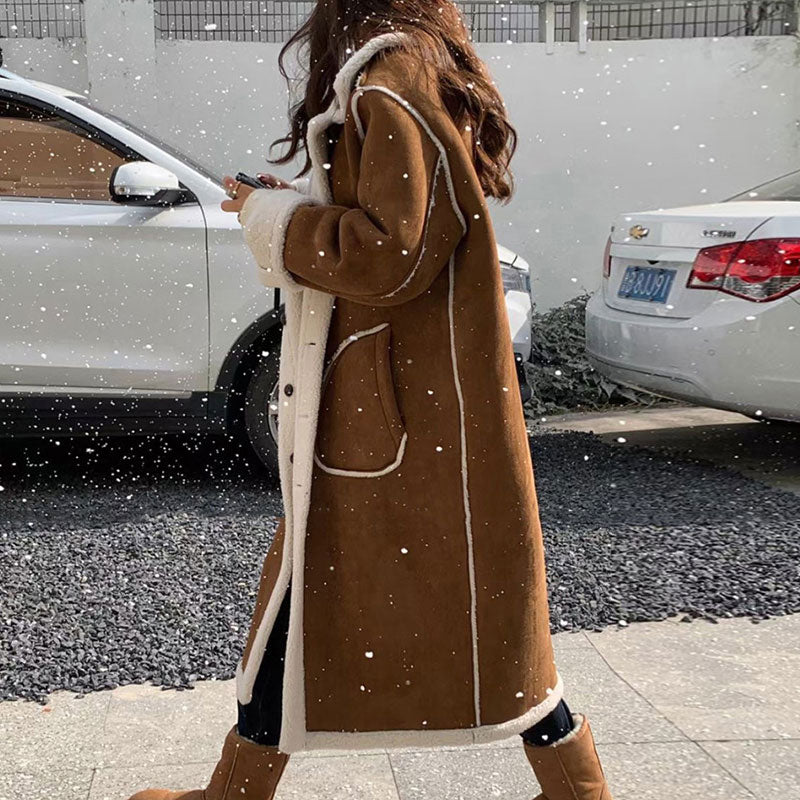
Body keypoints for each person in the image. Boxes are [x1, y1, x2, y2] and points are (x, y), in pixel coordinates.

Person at [127, 2, 612, 799]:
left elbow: (392, 254)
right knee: (473, 613)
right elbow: (401, 225)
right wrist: (300, 205)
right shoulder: (414, 67)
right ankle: (576, 788)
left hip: (398, 407)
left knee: (317, 599)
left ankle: (236, 792)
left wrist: (277, 220)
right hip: (416, 401)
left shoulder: (390, 78)